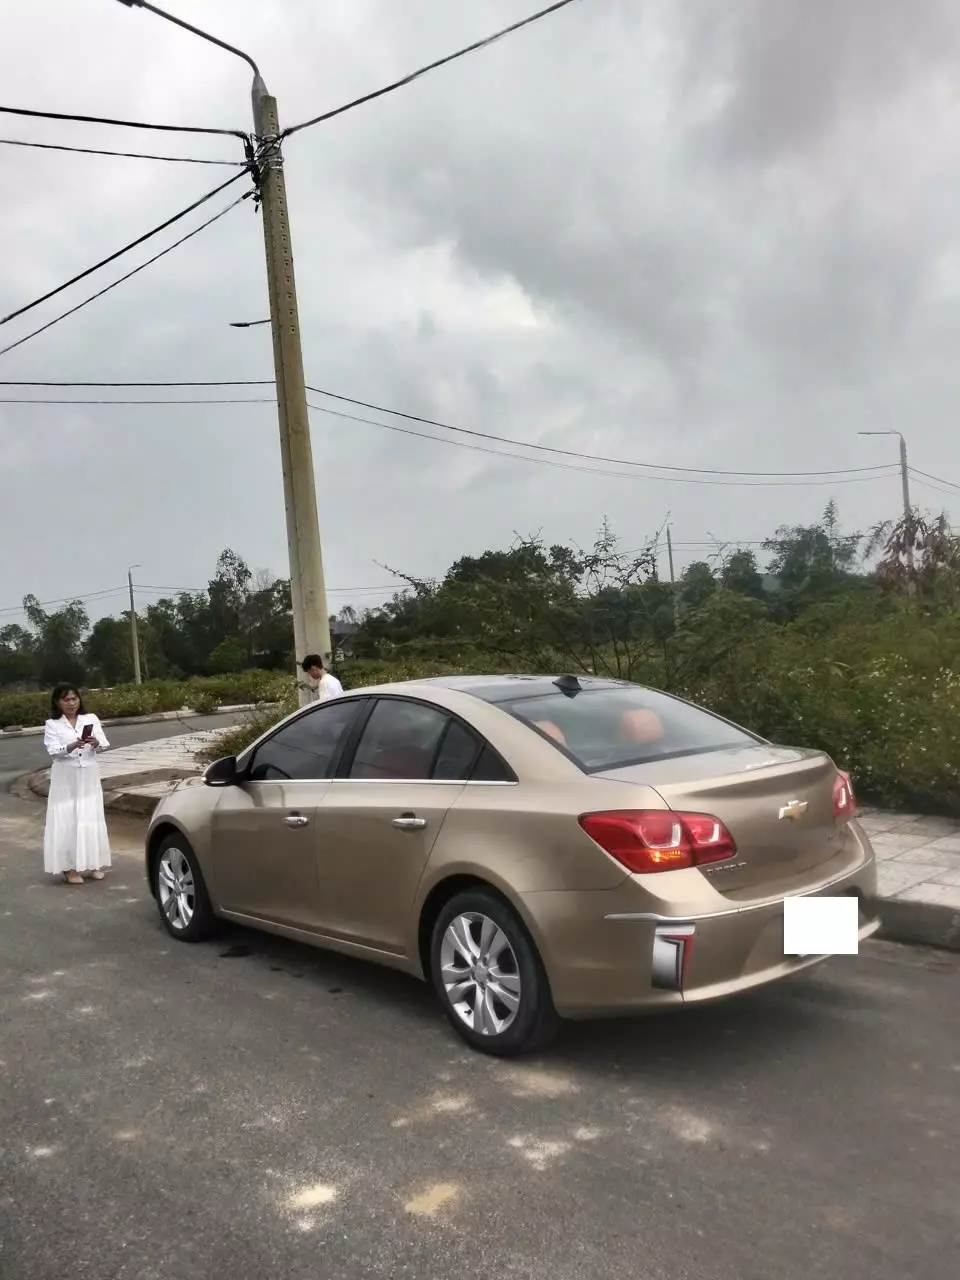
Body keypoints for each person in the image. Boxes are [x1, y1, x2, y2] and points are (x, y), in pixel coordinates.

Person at [42, 684, 111, 885]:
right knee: (67, 818)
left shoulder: (90, 719)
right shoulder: (52, 724)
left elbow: (104, 743)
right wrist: (71, 745)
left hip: (88, 774)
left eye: (74, 699)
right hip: (65, 776)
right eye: (66, 700)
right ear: (58, 702)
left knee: (90, 815)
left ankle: (94, 863)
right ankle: (69, 867)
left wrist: (95, 743)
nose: (71, 703)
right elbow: (54, 751)